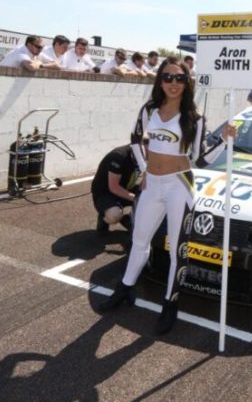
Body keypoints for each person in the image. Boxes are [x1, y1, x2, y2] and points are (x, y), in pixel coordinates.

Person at [97, 57, 235, 335]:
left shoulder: (194, 118)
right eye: (168, 77)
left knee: (177, 249)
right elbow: (136, 140)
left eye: (180, 78)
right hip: (152, 184)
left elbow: (202, 160)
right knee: (139, 241)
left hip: (179, 185)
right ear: (160, 80)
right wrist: (144, 168)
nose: (173, 83)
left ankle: (170, 304)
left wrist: (224, 139)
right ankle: (124, 289)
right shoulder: (149, 109)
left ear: (188, 83)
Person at [91, 145, 140, 233]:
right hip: (106, 192)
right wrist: (137, 199)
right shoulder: (118, 156)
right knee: (114, 215)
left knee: (152, 198)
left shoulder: (151, 153)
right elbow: (114, 187)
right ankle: (104, 217)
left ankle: (128, 219)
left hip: (126, 187)